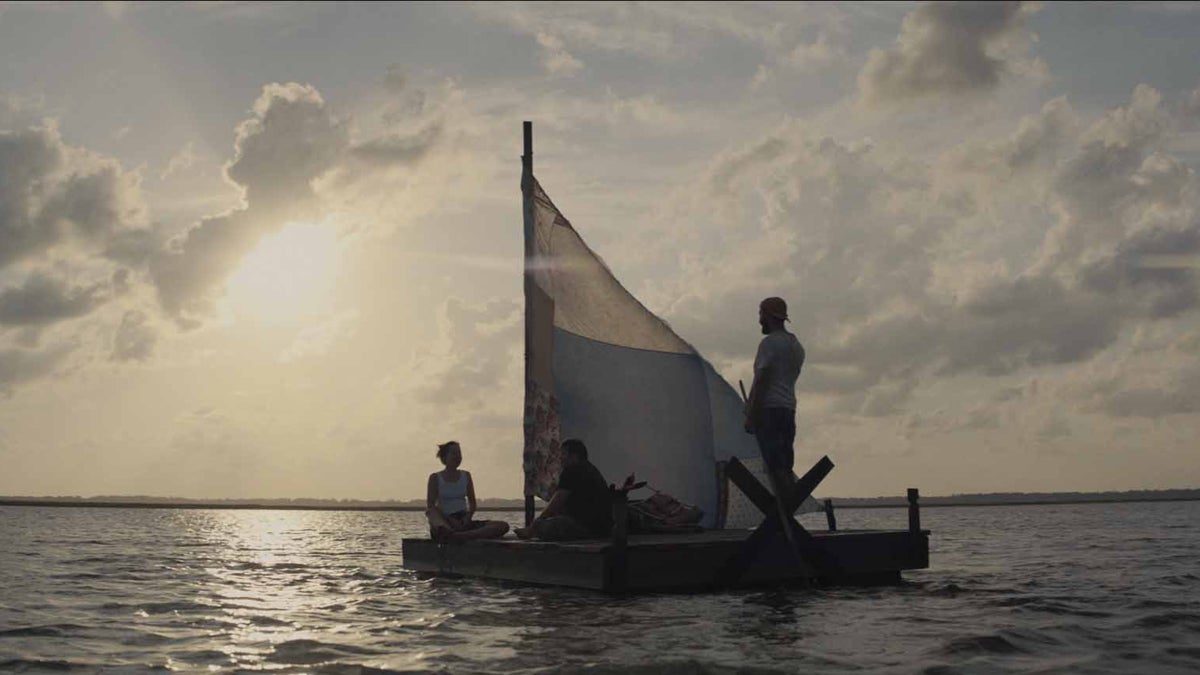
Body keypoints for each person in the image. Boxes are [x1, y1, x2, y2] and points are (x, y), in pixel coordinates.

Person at [743, 296, 806, 490]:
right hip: (788, 410)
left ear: (768, 315)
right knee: (785, 463)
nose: (759, 319)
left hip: (768, 411)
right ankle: (786, 504)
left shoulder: (769, 344)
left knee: (773, 464)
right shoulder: (796, 346)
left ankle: (782, 507)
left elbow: (762, 380)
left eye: (760, 313)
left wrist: (751, 413)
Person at [514, 438, 613, 541]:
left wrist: (533, 526)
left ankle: (532, 531)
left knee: (544, 527)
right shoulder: (591, 469)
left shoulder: (572, 471)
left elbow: (556, 503)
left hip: (586, 528)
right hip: (603, 529)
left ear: (574, 456)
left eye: (563, 454)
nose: (561, 458)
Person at [426, 441, 510, 542]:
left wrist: (467, 518)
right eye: (454, 453)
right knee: (431, 513)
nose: (457, 457)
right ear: (444, 457)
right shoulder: (435, 477)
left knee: (503, 526)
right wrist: (449, 519)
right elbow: (431, 505)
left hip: (463, 519)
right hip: (444, 521)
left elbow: (472, 503)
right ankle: (451, 533)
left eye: (459, 453)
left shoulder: (466, 475)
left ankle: (461, 536)